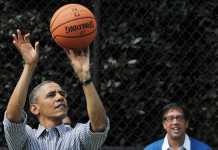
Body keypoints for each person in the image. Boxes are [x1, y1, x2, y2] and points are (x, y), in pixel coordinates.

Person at [3, 29, 109, 150]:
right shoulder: (26, 138)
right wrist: (29, 66)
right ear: (34, 108)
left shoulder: (78, 136)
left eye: (62, 94)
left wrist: (85, 76)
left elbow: (100, 124)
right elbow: (12, 116)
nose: (60, 97)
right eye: (51, 95)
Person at [144, 103, 212, 150]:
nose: (175, 122)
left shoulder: (204, 148)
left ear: (186, 123)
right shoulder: (150, 149)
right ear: (164, 124)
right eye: (170, 118)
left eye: (179, 118)